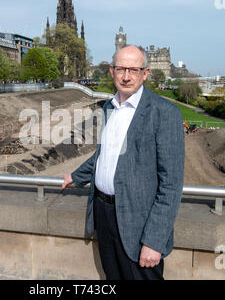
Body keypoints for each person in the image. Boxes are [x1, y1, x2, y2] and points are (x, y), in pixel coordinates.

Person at [62, 45, 184, 280]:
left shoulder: (164, 112)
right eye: (121, 69)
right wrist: (76, 176)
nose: (126, 76)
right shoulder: (109, 107)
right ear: (111, 71)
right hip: (103, 213)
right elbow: (104, 155)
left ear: (145, 73)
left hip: (138, 222)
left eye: (133, 70)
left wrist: (154, 241)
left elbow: (171, 184)